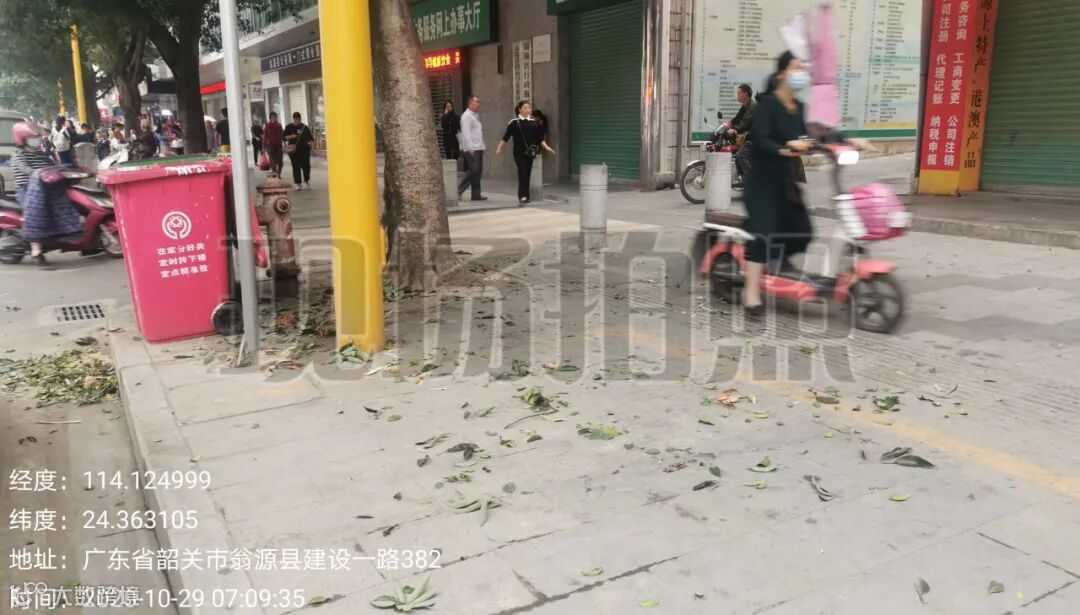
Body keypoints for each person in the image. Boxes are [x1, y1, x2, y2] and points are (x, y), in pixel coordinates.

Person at [741, 50, 813, 314]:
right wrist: (783, 148)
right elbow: (761, 138)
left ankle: (779, 262)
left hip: (785, 181)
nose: (802, 73)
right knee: (764, 232)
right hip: (762, 183)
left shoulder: (800, 107)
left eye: (803, 68)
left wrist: (843, 141)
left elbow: (811, 132)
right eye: (797, 67)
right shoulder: (767, 105)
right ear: (782, 74)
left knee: (803, 230)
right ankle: (750, 292)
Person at [495, 100, 555, 205]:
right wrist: (499, 148)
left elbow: (539, 138)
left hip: (530, 152)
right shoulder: (514, 122)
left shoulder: (533, 123)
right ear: (520, 109)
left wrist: (547, 147)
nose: (527, 110)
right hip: (518, 152)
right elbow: (506, 137)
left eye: (529, 108)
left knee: (527, 173)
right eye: (525, 108)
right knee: (522, 171)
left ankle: (526, 196)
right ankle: (522, 196)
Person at [457, 96, 486, 201]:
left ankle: (476, 194)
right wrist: (469, 147)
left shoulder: (475, 116)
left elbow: (477, 133)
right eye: (476, 102)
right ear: (470, 104)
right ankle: (458, 190)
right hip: (472, 148)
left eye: (478, 102)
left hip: (478, 147)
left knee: (478, 172)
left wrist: (482, 146)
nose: (478, 104)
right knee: (474, 170)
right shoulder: (466, 116)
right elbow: (466, 133)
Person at [731, 83, 757, 179]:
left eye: (739, 93)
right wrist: (728, 125)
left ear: (745, 94)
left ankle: (752, 179)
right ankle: (741, 177)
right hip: (748, 137)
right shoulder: (744, 106)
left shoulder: (752, 107)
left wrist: (734, 129)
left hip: (755, 138)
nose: (737, 95)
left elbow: (744, 123)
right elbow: (737, 119)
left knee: (740, 156)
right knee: (736, 154)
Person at [283, 111, 313, 190]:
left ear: (300, 119)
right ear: (293, 119)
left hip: (305, 150)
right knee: (296, 166)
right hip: (293, 151)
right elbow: (284, 137)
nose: (297, 121)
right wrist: (292, 136)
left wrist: (312, 148)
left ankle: (307, 179)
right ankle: (298, 183)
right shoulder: (289, 127)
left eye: (298, 120)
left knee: (306, 166)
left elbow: (310, 138)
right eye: (295, 119)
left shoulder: (305, 127)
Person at [262, 112, 284, 177]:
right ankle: (275, 174)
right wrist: (263, 147)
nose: (274, 118)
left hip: (279, 146)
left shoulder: (279, 125)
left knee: (280, 162)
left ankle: (278, 174)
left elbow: (282, 135)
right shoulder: (267, 125)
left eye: (275, 117)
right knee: (273, 162)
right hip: (269, 146)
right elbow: (265, 136)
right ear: (270, 118)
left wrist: (285, 143)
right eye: (272, 117)